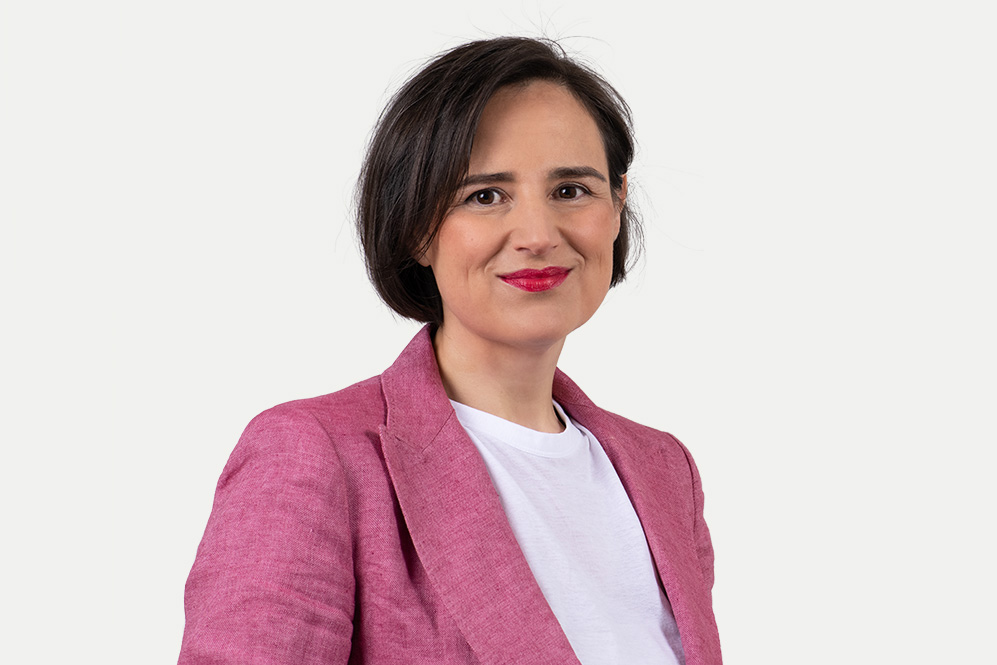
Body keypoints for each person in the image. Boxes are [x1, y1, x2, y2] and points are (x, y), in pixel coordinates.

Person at [178, 36, 721, 665]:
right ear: (416, 225)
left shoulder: (663, 470)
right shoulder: (315, 454)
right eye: (484, 196)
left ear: (618, 202)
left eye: (571, 190)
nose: (538, 235)